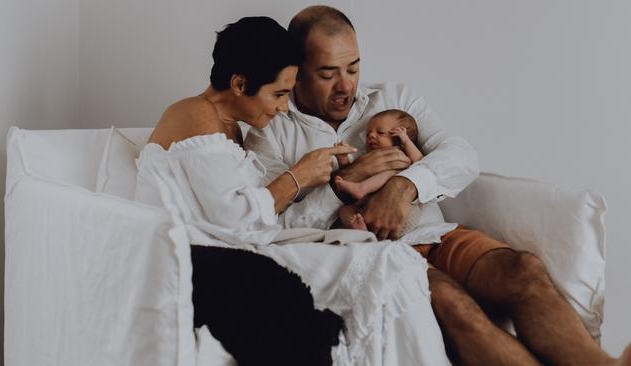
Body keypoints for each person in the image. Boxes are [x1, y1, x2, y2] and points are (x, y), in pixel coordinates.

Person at [244, 5, 631, 365]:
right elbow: (272, 230)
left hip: (436, 233)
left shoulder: (393, 97)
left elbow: (461, 155)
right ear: (296, 69)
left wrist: (404, 187)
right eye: (327, 74)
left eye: (354, 67)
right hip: (375, 256)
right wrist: (344, 184)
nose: (345, 85)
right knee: (450, 302)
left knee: (523, 269)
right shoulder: (271, 130)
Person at [135, 16, 451, 366]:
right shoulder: (196, 114)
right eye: (279, 94)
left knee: (393, 261)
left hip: (245, 251)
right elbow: (233, 220)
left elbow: (256, 219)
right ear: (239, 83)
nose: (284, 107)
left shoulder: (231, 130)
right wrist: (297, 177)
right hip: (203, 259)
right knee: (391, 263)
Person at [334, 109, 424, 235]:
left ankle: (361, 188)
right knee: (344, 211)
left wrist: (406, 141)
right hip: (367, 211)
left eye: (380, 132)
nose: (371, 135)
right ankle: (361, 231)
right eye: (367, 134)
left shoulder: (401, 154)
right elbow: (353, 176)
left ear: (399, 136)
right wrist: (343, 160)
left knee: (392, 174)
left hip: (400, 213)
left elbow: (420, 161)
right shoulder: (367, 158)